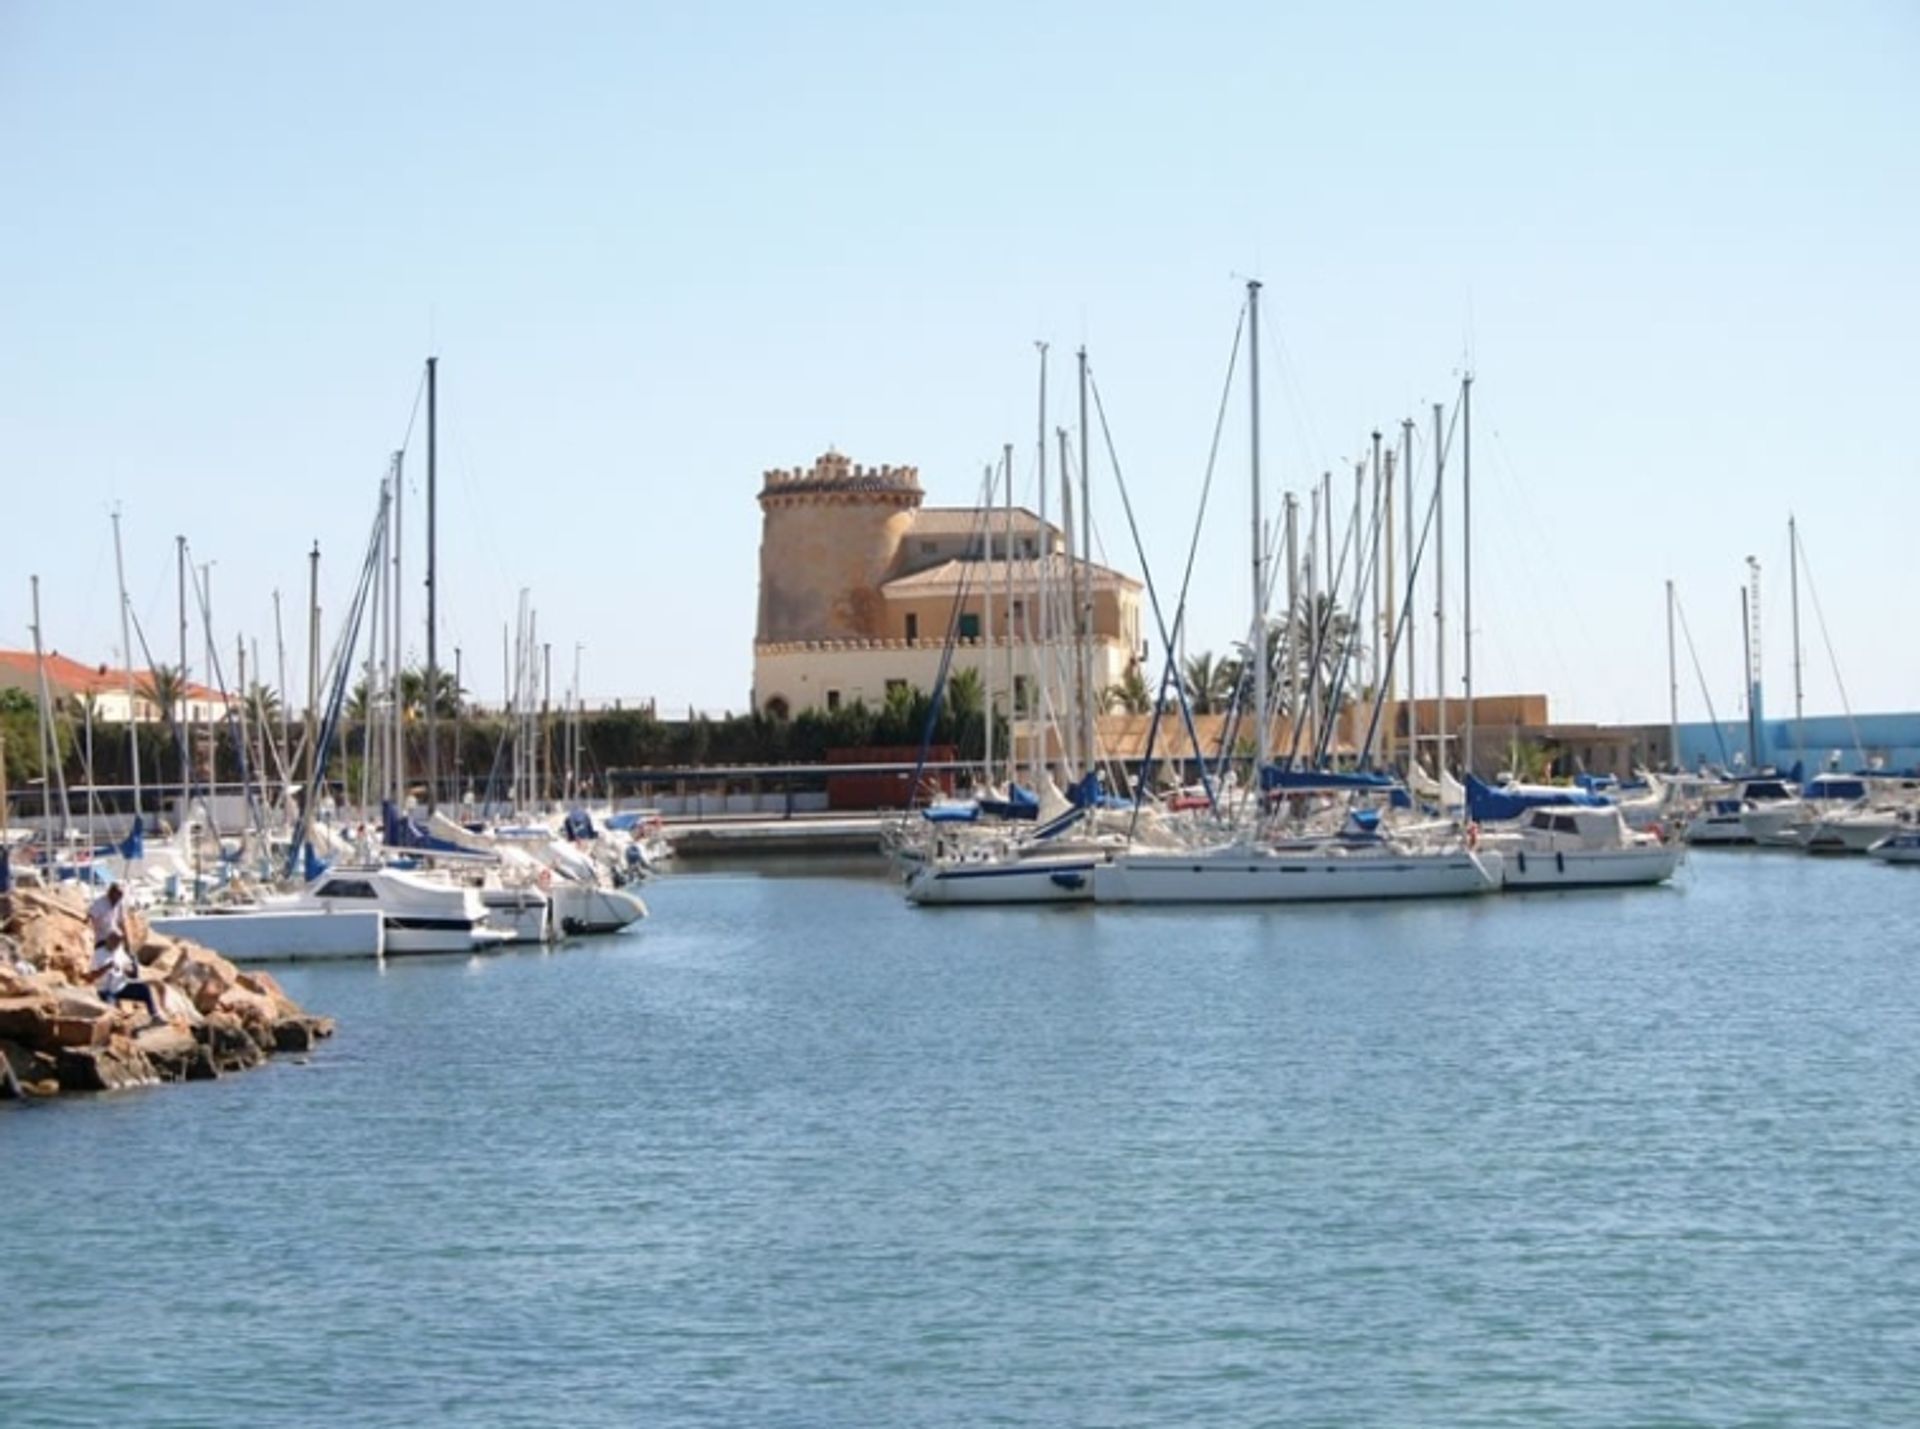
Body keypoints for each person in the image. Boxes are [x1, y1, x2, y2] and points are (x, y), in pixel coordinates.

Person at [86, 883, 164, 1025]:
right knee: (110, 1006)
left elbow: (132, 973)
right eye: (117, 895)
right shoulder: (99, 954)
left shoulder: (119, 951)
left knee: (144, 989)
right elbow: (90, 976)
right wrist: (107, 967)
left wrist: (130, 966)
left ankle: (155, 1016)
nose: (118, 899)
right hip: (106, 990)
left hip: (119, 987)